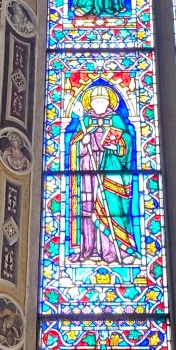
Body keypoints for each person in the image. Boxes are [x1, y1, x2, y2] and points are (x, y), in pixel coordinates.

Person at [68, 85, 138, 265]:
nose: (99, 104)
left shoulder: (115, 119)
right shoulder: (85, 120)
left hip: (110, 170)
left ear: (109, 103)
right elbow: (74, 144)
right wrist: (82, 142)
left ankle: (113, 251)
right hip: (88, 171)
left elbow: (127, 141)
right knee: (87, 208)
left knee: (111, 209)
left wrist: (117, 146)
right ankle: (88, 249)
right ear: (90, 103)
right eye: (96, 101)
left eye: (103, 101)